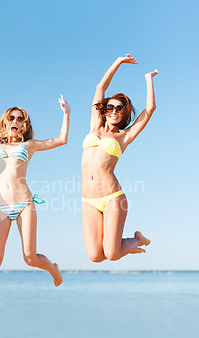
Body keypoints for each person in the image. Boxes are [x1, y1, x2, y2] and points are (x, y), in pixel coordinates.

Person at [0, 81, 68, 308]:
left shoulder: (29, 145)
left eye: (20, 119)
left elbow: (61, 140)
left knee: (29, 258)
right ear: (5, 121)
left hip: (24, 205)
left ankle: (53, 269)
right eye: (12, 118)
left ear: (24, 125)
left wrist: (66, 114)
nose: (16, 122)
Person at [82, 54, 157, 263]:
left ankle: (136, 241)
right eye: (111, 107)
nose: (115, 110)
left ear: (124, 114)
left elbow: (149, 110)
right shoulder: (94, 126)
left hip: (112, 197)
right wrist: (118, 62)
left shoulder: (123, 136)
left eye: (120, 108)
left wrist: (148, 79)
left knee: (112, 254)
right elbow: (100, 88)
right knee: (96, 256)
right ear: (104, 111)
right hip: (88, 199)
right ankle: (126, 245)